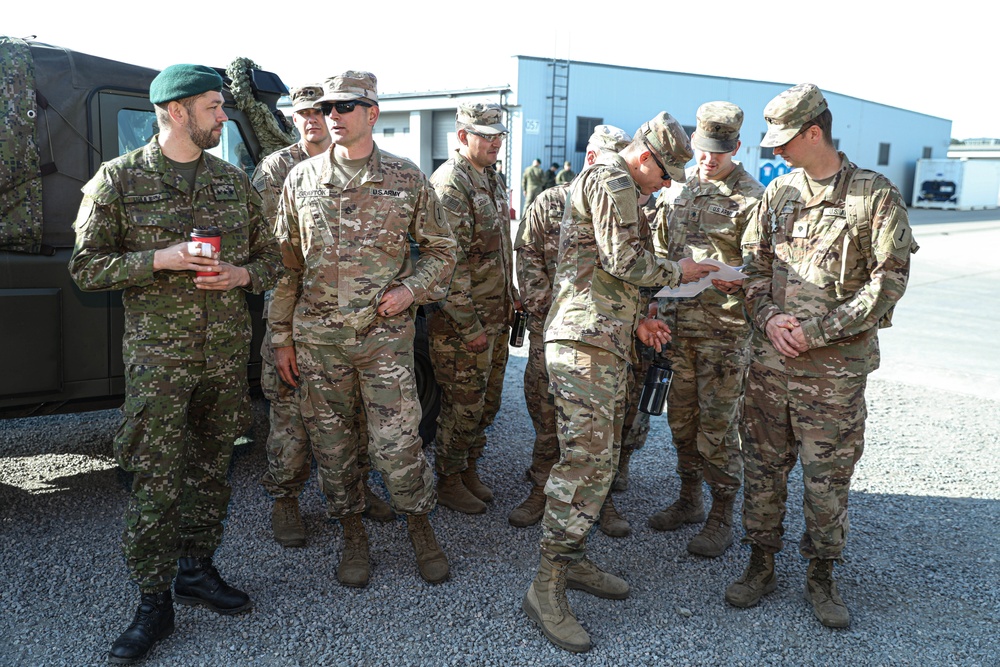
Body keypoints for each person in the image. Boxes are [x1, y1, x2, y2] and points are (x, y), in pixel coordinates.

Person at [69, 64, 282, 664]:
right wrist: (158, 259)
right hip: (160, 363)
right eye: (214, 107)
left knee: (214, 468)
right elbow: (85, 269)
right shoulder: (117, 181)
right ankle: (151, 601)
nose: (222, 116)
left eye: (222, 106)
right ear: (176, 111)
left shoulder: (232, 181)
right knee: (156, 478)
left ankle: (196, 567)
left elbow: (272, 259)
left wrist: (243, 274)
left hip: (222, 359)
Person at [522, 112, 719, 653]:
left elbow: (600, 275)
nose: (668, 184)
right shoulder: (612, 179)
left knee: (600, 459)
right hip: (583, 343)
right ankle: (547, 587)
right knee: (584, 460)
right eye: (667, 173)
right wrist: (681, 270)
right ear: (645, 158)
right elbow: (625, 260)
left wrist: (639, 319)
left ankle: (574, 556)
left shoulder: (620, 182)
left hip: (602, 336)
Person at [727, 83, 916, 628]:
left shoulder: (872, 196)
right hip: (769, 366)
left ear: (815, 133)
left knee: (826, 476)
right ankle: (761, 561)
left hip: (832, 376)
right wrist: (768, 318)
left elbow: (888, 282)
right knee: (762, 468)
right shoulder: (779, 194)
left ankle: (822, 574)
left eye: (785, 140)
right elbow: (753, 267)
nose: (776, 151)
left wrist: (816, 331)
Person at [269, 71, 457, 589]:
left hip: (384, 343)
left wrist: (410, 291)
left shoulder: (406, 178)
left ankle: (420, 527)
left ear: (372, 113)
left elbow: (443, 253)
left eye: (346, 106)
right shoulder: (300, 180)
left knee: (398, 446)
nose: (333, 115)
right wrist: (280, 338)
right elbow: (285, 269)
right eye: (327, 107)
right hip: (317, 344)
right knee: (333, 448)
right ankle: (352, 533)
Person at [252, 85, 396, 549]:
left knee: (351, 418)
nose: (315, 120)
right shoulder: (279, 170)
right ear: (293, 120)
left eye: (323, 111)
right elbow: (275, 254)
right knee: (291, 417)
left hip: (348, 326)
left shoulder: (360, 165)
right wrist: (280, 334)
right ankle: (285, 498)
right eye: (304, 114)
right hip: (294, 317)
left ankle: (355, 490)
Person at [648, 102, 764, 558]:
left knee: (717, 428)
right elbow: (660, 246)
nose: (708, 160)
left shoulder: (753, 199)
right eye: (702, 150)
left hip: (724, 335)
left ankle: (721, 515)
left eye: (718, 152)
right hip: (678, 328)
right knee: (681, 422)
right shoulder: (679, 189)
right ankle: (689, 499)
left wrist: (732, 275)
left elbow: (763, 268)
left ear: (736, 146)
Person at [508, 125, 632, 529]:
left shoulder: (628, 206)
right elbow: (526, 259)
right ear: (592, 159)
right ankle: (540, 487)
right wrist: (549, 314)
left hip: (608, 338)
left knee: (606, 424)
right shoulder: (551, 201)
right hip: (555, 332)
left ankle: (601, 501)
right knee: (548, 415)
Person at [428, 102, 517, 514]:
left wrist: (512, 292)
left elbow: (497, 248)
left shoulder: (491, 178)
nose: (496, 142)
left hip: (494, 315)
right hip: (464, 324)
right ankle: (447, 479)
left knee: (486, 403)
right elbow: (448, 265)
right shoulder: (452, 184)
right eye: (487, 135)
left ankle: (467, 469)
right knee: (462, 406)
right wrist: (468, 326)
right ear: (463, 136)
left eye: (499, 134)